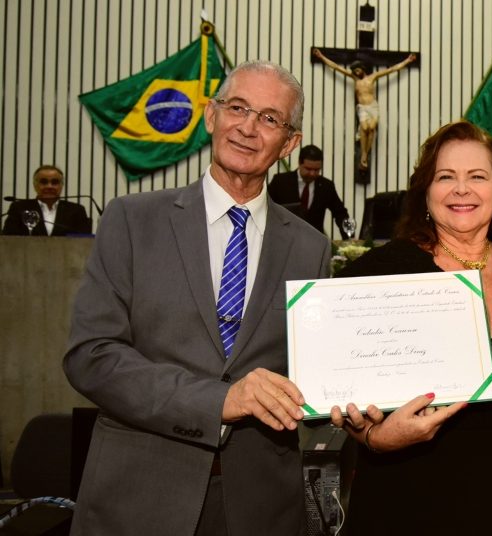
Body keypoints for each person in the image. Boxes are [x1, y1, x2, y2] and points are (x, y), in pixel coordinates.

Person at [63, 61, 331, 536]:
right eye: (238, 108)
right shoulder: (132, 221)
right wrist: (218, 400)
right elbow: (92, 356)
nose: (248, 128)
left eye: (270, 118)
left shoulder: (311, 248)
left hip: (262, 507)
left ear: (289, 143)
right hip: (140, 496)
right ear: (211, 116)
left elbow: (315, 375)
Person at [330, 120, 492, 535]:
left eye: (477, 176)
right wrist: (372, 435)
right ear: (425, 191)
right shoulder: (373, 278)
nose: (461, 189)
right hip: (404, 502)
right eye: (445, 177)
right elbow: (340, 391)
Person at [312, 47, 416, 171]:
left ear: (362, 69)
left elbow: (392, 70)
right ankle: (364, 154)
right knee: (365, 128)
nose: (356, 73)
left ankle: (365, 155)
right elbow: (336, 67)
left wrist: (408, 60)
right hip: (362, 108)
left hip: (373, 106)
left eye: (358, 70)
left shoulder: (373, 77)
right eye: (354, 71)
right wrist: (321, 56)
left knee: (371, 128)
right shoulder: (355, 79)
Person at [268, 144, 352, 238]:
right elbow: (267, 209)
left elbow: (340, 213)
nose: (312, 174)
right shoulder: (280, 182)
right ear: (300, 163)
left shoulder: (326, 186)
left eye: (316, 170)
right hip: (283, 238)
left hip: (315, 241)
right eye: (308, 169)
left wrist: (349, 238)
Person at [2, 164, 91, 235]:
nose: (49, 186)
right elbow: (8, 239)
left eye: (54, 182)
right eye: (44, 182)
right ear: (35, 185)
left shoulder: (76, 210)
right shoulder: (19, 208)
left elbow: (83, 240)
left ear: (61, 185)